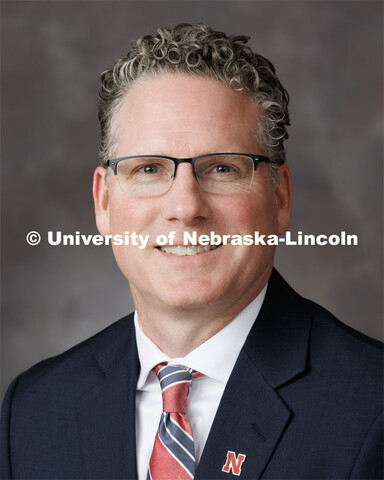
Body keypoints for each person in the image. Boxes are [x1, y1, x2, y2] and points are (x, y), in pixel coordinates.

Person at [1, 23, 382, 480]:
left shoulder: (371, 406)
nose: (186, 207)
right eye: (149, 169)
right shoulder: (34, 411)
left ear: (280, 199)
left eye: (222, 168)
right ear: (104, 203)